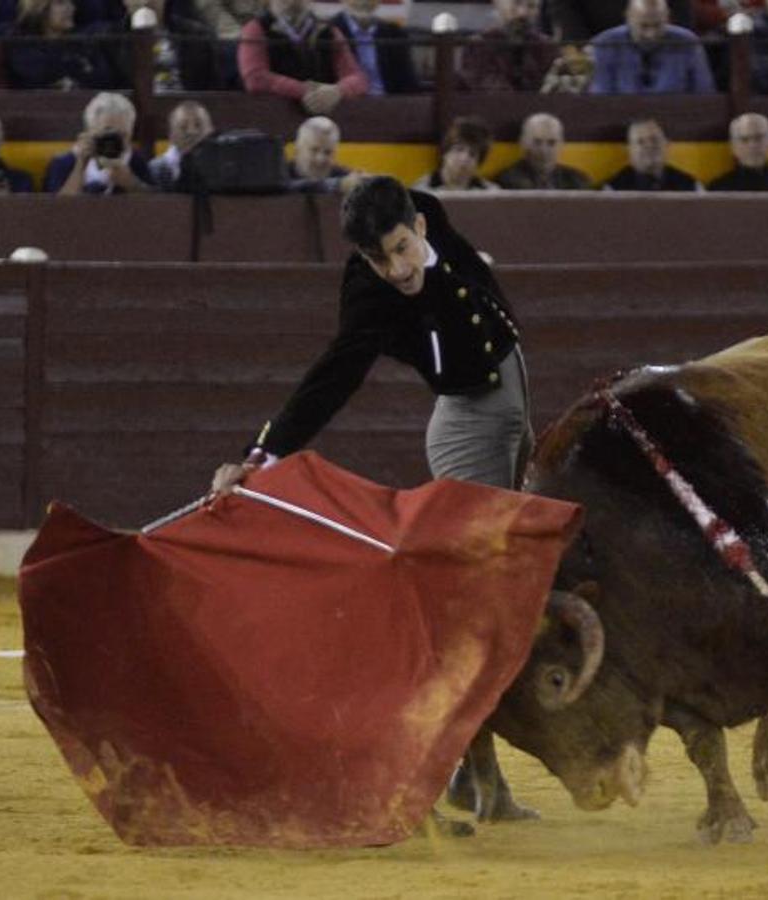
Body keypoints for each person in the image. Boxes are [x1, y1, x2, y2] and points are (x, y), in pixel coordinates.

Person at [207, 176, 535, 833]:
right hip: (469, 423)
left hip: (511, 400)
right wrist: (261, 456)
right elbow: (329, 379)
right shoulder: (368, 297)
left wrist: (438, 266)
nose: (395, 269)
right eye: (377, 259)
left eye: (400, 249)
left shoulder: (430, 214)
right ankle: (438, 772)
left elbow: (473, 292)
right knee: (474, 606)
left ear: (415, 223)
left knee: (495, 600)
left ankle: (481, 784)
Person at [237, 0, 369, 114]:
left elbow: (358, 79)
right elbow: (255, 78)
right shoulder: (255, 29)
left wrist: (337, 91)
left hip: (326, 121)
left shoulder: (329, 31)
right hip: (272, 116)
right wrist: (304, 91)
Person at [589, 0, 716, 93]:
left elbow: (705, 95)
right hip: (619, 126)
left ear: (667, 18)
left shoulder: (688, 43)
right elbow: (600, 101)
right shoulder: (604, 45)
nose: (651, 34)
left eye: (658, 25)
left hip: (677, 123)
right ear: (628, 18)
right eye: (644, 26)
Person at [92, 0, 220, 92]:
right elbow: (108, 91)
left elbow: (214, 87)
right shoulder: (109, 40)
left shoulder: (197, 35)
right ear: (124, 2)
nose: (145, 2)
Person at [44, 91, 154, 194]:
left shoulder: (136, 161)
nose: (114, 141)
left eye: (123, 135)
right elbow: (56, 209)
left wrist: (131, 183)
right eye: (108, 132)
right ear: (90, 130)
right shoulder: (63, 163)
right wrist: (81, 165)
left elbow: (155, 207)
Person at [0, 0, 116, 90]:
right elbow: (39, 72)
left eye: (71, 2)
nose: (71, 8)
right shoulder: (19, 40)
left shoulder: (82, 42)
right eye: (60, 2)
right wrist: (77, 66)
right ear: (40, 8)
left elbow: (103, 78)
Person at [456, 0, 561, 92]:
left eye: (531, 6)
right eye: (517, 3)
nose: (522, 13)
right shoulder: (478, 47)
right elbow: (493, 94)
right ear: (497, 3)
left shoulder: (547, 47)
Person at [328, 0, 419, 95]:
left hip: (389, 104)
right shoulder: (327, 35)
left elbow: (408, 85)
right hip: (347, 105)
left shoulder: (395, 33)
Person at [494, 113, 593, 190]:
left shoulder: (578, 180)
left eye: (551, 143)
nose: (544, 151)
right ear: (523, 143)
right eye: (537, 142)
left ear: (561, 144)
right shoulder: (507, 181)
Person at [707, 113, 768, 191]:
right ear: (733, 146)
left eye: (759, 138)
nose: (752, 145)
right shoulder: (718, 189)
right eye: (744, 140)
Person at [602, 118, 703, 191]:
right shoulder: (614, 189)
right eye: (640, 142)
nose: (649, 146)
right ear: (629, 150)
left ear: (667, 145)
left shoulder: (690, 186)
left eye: (654, 140)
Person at [412, 117, 502, 192]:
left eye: (472, 154)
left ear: (478, 162)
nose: (464, 158)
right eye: (459, 149)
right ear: (444, 153)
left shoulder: (492, 193)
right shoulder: (420, 191)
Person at [285, 116, 365, 193]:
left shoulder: (342, 176)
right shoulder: (280, 175)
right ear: (298, 150)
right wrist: (337, 185)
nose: (321, 159)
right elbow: (289, 187)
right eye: (314, 150)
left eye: (328, 152)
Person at [552, 0, 693, 42]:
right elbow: (565, 9)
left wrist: (676, 44)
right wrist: (582, 49)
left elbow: (682, 12)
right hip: (597, 49)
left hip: (661, 46)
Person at [149, 100, 214, 188]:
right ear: (171, 135)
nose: (191, 132)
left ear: (211, 131)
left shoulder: (222, 167)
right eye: (183, 127)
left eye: (198, 125)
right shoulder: (157, 168)